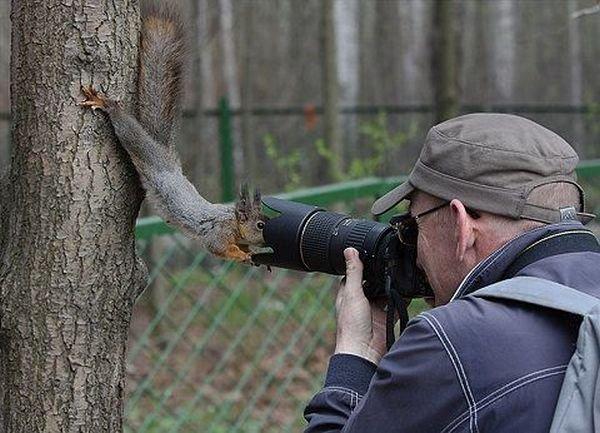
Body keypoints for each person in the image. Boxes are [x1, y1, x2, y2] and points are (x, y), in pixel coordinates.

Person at [303, 113, 600, 433]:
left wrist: (355, 356)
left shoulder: (454, 342)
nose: (413, 251)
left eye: (413, 226)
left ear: (462, 226)